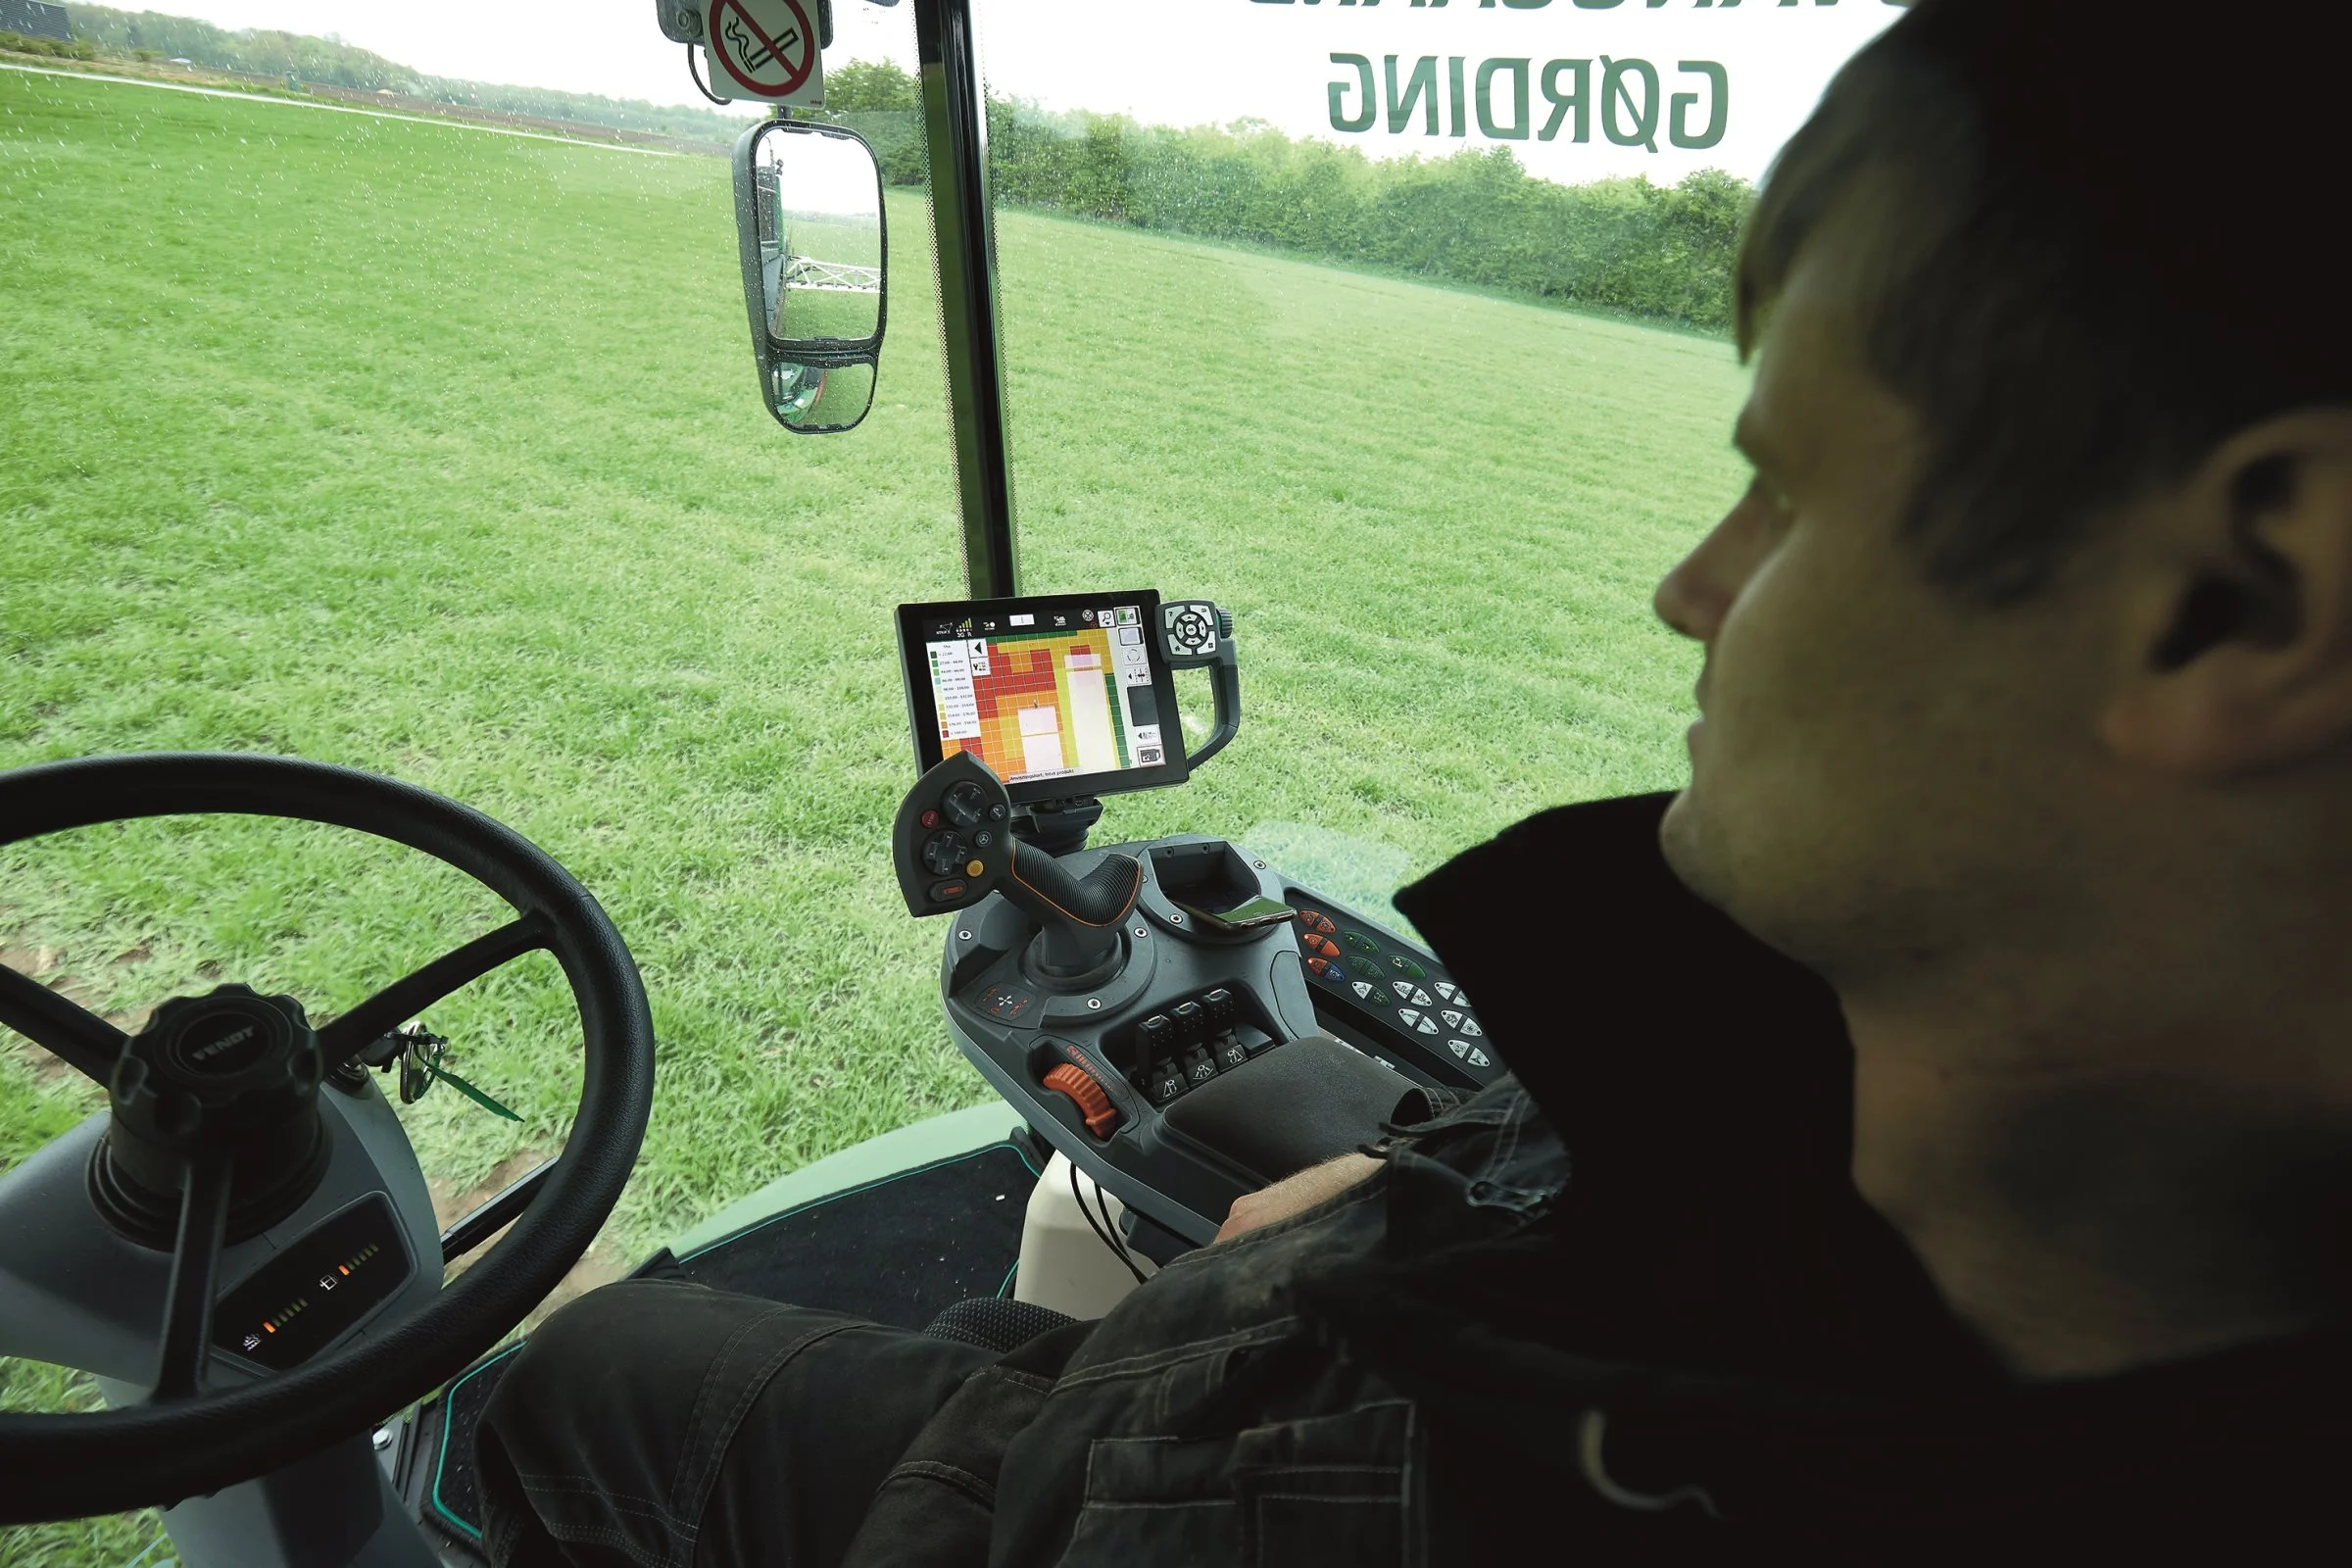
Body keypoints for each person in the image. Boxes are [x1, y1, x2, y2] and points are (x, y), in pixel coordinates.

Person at [476, 1, 2352, 1560]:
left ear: (2233, 606)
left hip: (1071, 1494)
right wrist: (1421, 1173)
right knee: (1047, 1247)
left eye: (1789, 490)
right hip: (1211, 1372)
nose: (1691, 587)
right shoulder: (1973, 1118)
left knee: (561, 1380)